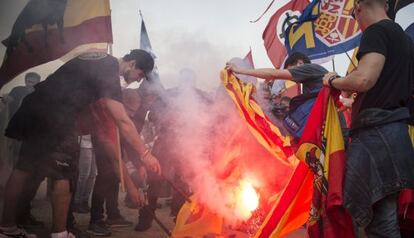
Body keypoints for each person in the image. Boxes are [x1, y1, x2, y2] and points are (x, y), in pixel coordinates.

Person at [0, 49, 161, 238]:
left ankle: (7, 228)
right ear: (132, 63)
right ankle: (60, 234)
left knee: (23, 169)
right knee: (64, 176)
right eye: (139, 75)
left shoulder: (98, 59)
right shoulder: (109, 71)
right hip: (56, 115)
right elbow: (123, 121)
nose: (136, 81)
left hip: (36, 107)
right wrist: (146, 154)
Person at [322, 0, 414, 236]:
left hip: (377, 136)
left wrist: (334, 80)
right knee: (387, 220)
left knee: (380, 226)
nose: (356, 21)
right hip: (396, 136)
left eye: (353, 16)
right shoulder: (404, 40)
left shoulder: (377, 31)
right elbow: (389, 88)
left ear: (359, 7)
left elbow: (364, 79)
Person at [226, 52, 327, 139]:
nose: (291, 79)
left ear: (299, 63)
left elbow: (273, 74)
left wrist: (238, 70)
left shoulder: (309, 69)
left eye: (290, 71)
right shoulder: (310, 85)